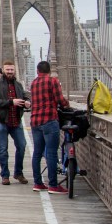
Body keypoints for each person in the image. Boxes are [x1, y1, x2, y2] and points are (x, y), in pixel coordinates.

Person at [29, 61, 70, 194]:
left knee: (37, 153)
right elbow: (59, 99)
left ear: (37, 70)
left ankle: (38, 183)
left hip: (35, 122)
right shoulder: (53, 81)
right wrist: (66, 105)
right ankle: (53, 185)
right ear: (49, 70)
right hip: (49, 120)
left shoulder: (33, 83)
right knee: (51, 153)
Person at [0, 60, 30, 186]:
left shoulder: (18, 85)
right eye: (8, 70)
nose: (10, 72)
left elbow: (25, 96)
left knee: (22, 147)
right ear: (3, 70)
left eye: (12, 70)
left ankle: (18, 173)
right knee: (3, 150)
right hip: (1, 121)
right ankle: (5, 175)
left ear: (14, 70)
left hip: (16, 121)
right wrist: (11, 102)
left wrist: (27, 102)